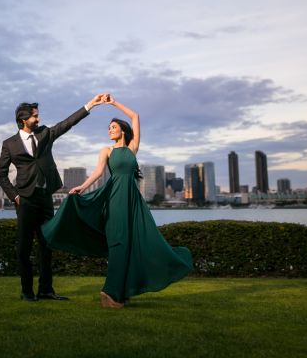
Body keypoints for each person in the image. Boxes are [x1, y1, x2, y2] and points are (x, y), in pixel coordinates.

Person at [42, 95, 193, 308]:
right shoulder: (107, 151)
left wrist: (113, 103)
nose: (110, 130)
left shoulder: (132, 148)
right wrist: (82, 187)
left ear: (122, 130)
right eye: (108, 128)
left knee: (138, 242)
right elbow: (98, 172)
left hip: (134, 202)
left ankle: (121, 292)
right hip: (116, 199)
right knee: (119, 244)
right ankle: (109, 293)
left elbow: (135, 116)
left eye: (113, 127)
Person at [0, 94, 106, 302]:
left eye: (38, 116)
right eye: (34, 116)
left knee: (46, 246)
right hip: (25, 200)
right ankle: (27, 291)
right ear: (23, 120)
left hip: (45, 199)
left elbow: (67, 123)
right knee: (24, 248)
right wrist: (15, 197)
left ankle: (46, 290)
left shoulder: (45, 134)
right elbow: (0, 174)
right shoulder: (9, 144)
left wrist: (91, 104)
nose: (38, 119)